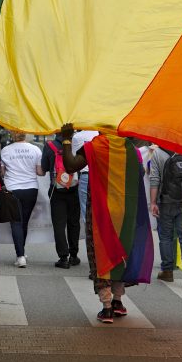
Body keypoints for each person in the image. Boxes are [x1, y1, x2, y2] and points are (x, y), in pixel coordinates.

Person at [58, 124, 130, 324]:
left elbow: (71, 165)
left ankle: (106, 307)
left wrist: (66, 139)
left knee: (99, 253)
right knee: (118, 253)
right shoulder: (127, 147)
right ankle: (117, 301)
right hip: (122, 210)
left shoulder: (95, 146)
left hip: (99, 210)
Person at [149, 147, 182, 287]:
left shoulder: (158, 153)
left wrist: (153, 202)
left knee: (166, 237)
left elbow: (154, 178)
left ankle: (167, 271)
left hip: (165, 201)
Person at [1, 132, 43, 268]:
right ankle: (22, 253)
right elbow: (39, 172)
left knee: (16, 222)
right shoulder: (35, 149)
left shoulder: (6, 150)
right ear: (25, 135)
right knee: (23, 222)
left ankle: (20, 256)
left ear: (13, 135)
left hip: (13, 189)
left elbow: (2, 172)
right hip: (31, 189)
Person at [40, 136, 81, 268]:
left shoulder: (50, 146)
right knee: (74, 222)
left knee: (59, 224)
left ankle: (63, 258)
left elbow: (44, 167)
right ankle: (74, 255)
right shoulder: (77, 144)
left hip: (56, 189)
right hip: (74, 187)